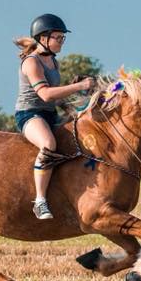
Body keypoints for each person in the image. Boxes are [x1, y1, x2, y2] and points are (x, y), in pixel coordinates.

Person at [14, 14, 96, 219]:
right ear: (43, 38)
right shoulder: (31, 63)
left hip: (50, 113)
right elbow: (45, 94)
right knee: (49, 144)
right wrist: (79, 86)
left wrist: (78, 99)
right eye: (58, 38)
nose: (61, 42)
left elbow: (55, 95)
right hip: (29, 114)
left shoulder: (52, 61)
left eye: (62, 38)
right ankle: (40, 201)